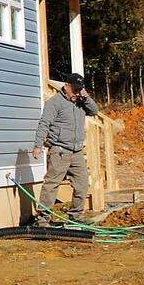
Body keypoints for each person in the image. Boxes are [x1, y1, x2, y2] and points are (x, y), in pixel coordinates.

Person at [32, 73, 100, 223]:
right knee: (51, 184)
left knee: (82, 184)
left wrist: (86, 97)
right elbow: (44, 124)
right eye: (74, 90)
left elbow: (94, 111)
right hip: (59, 150)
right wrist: (37, 145)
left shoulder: (81, 102)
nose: (76, 93)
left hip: (76, 151)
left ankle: (75, 215)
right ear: (66, 86)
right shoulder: (54, 103)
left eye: (79, 90)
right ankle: (43, 219)